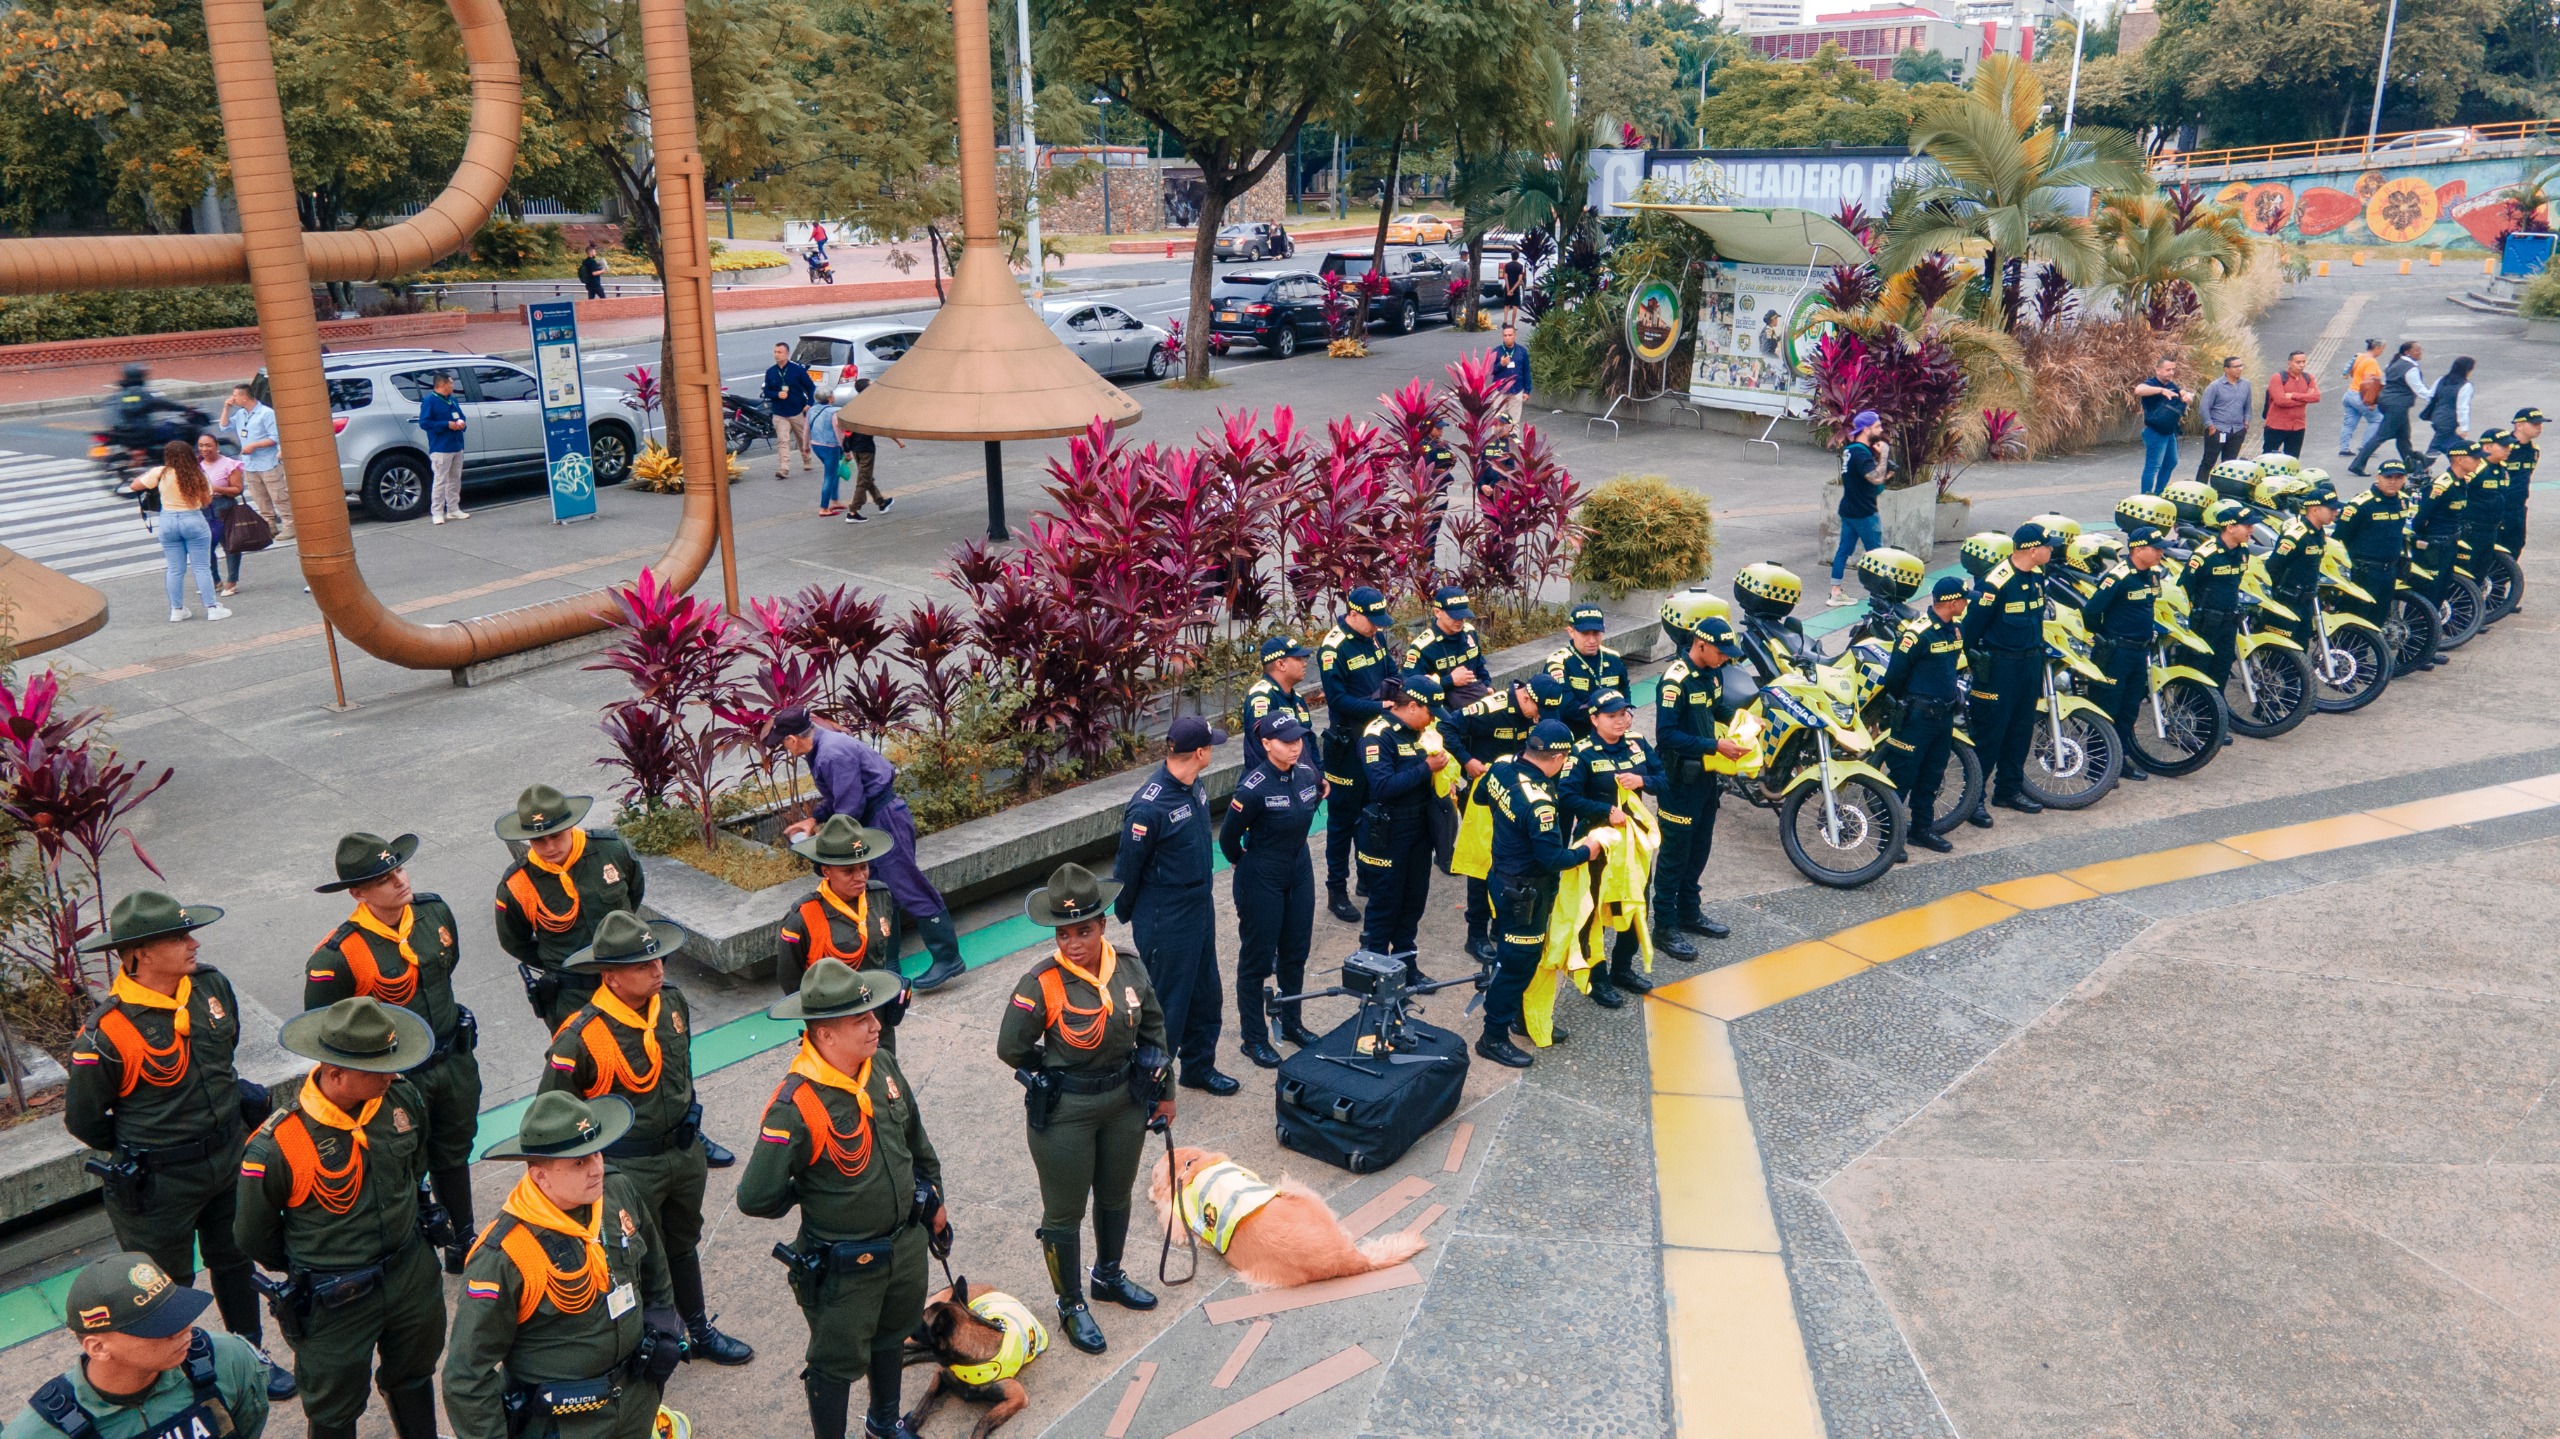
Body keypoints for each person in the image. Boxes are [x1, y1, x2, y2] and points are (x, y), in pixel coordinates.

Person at [64, 891, 293, 1402]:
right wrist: (147, 1146)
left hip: (227, 1156)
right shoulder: (107, 1032)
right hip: (158, 1182)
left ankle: (247, 1351)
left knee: (235, 1258)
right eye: (178, 937)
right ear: (140, 953)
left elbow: (222, 1059)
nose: (193, 944)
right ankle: (175, 1374)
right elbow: (84, 1120)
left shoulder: (209, 987)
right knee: (162, 1286)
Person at [739, 959, 949, 1439]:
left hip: (905, 1244)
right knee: (835, 1361)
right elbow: (755, 1196)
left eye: (873, 1013)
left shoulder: (882, 1067)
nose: (877, 1025)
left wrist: (936, 1200)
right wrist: (812, 1192)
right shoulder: (796, 1106)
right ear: (826, 1035)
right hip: (846, 1266)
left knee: (893, 1335)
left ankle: (883, 1422)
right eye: (862, 1019)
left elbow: (918, 1142)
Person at [537, 910, 755, 1367]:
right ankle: (643, 1347)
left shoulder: (671, 1004)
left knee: (682, 1243)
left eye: (659, 961)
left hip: (682, 1150)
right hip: (628, 1165)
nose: (658, 971)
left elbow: (682, 1074)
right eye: (643, 965)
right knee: (630, 1259)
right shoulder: (578, 1039)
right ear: (611, 977)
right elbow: (554, 1119)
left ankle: (696, 1329)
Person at [236, 998, 445, 1439]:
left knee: (414, 1373)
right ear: (336, 1074)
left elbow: (414, 1167)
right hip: (337, 1297)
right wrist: (320, 1261)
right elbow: (254, 1235)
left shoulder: (399, 1099)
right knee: (334, 1407)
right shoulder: (277, 1145)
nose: (391, 1074)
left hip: (409, 1273)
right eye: (378, 1069)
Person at [996, 863, 1171, 1356]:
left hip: (1124, 1103)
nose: (1074, 942)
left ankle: (1108, 1276)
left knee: (1116, 1196)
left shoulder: (1130, 968)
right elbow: (1011, 1047)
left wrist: (1167, 1094)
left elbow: (1154, 1032)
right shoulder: (1041, 983)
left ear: (1103, 926)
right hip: (1066, 1113)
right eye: (1064, 933)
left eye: (1085, 931)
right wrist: (1051, 1073)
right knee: (1064, 1213)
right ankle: (1070, 1303)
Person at [442, 1092, 682, 1439]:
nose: (597, 1168)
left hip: (635, 1400)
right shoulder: (504, 1254)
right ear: (540, 1177)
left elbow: (655, 1270)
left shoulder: (616, 1192)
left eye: (597, 1152)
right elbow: (466, 1377)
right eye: (579, 1163)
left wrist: (664, 1328)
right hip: (565, 1422)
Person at [306, 832, 482, 1275]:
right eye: (384, 878)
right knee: (404, 1162)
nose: (399, 881)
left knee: (454, 1149)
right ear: (358, 892)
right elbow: (327, 1032)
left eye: (399, 868)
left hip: (452, 1060)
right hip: (396, 1078)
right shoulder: (337, 955)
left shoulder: (433, 912)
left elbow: (446, 970)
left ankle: (463, 1238)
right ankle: (416, 1250)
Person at [769, 710, 966, 991]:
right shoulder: (824, 747)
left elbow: (850, 806)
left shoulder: (831, 754)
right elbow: (839, 795)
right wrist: (814, 819)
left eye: (783, 742)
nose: (784, 748)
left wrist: (828, 840)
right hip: (875, 817)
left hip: (883, 818)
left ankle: (948, 957)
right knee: (877, 891)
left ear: (792, 739)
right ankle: (888, 963)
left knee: (908, 886)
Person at [4, 1252, 272, 1439]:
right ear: (98, 1347)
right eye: (158, 1327)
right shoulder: (41, 1431)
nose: (183, 1330)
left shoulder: (228, 1360)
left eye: (178, 1314)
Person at [1111, 716, 1235, 1096]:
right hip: (1167, 914)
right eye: (1210, 745)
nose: (1212, 749)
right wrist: (1133, 914)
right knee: (1166, 1003)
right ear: (1199, 752)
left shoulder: (1191, 784)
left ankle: (1199, 1066)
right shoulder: (1148, 808)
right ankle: (1150, 1086)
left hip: (1198, 904)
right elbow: (1126, 870)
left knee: (1205, 991)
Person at [1476, 720, 1610, 1069]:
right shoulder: (1540, 804)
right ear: (1559, 757)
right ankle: (1492, 1038)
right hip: (1526, 892)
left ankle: (1519, 1017)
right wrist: (1589, 850)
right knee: (1515, 966)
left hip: (1502, 877)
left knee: (1518, 958)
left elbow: (1479, 796)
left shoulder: (1503, 765)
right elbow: (1553, 858)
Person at [494, 785, 652, 1027]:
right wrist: (559, 961)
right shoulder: (517, 885)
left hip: (628, 980)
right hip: (572, 996)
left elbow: (633, 894)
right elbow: (514, 941)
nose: (549, 847)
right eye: (538, 840)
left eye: (556, 836)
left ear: (570, 826)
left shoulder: (611, 850)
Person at [1220, 714, 1325, 1068]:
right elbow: (1227, 839)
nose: (1296, 746)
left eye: (1299, 739)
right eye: (1286, 741)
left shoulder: (1307, 775)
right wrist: (1245, 863)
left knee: (1295, 951)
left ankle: (1293, 1022)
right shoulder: (1252, 788)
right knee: (1257, 960)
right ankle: (1254, 1038)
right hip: (1262, 875)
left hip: (1299, 868)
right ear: (1266, 744)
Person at [1552, 690, 1665, 1009]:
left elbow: (1662, 780)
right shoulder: (1582, 752)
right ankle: (1597, 977)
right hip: (1597, 843)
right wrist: (1604, 810)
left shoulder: (1638, 743)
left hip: (1634, 843)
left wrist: (1641, 781)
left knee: (1636, 904)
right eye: (1613, 715)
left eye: (1625, 713)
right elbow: (1566, 796)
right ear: (1594, 719)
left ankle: (1622, 968)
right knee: (1594, 912)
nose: (1622, 720)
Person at [1442, 674, 1561, 962]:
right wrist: (1466, 760)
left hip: (1519, 797)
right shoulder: (1490, 709)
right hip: (1486, 795)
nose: (1540, 719)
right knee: (1481, 866)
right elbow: (1447, 726)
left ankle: (1500, 924)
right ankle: (1476, 935)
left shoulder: (1535, 714)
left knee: (1512, 863)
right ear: (1527, 699)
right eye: (1539, 711)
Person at [1653, 611, 1752, 944]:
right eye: (1721, 652)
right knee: (1674, 855)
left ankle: (1689, 912)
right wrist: (1715, 745)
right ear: (1700, 645)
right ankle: (1665, 926)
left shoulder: (1714, 673)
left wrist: (1745, 721)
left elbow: (1715, 710)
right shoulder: (1674, 680)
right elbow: (1666, 735)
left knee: (1699, 848)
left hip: (1706, 779)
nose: (1725, 658)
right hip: (1678, 779)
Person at [1316, 587, 1400, 922]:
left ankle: (1367, 877)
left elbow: (1393, 671)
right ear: (1353, 613)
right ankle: (1337, 889)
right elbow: (1337, 702)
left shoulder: (1375, 637)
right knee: (1342, 821)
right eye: (1372, 621)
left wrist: (1398, 692)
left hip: (1377, 740)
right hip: (1346, 746)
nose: (1378, 627)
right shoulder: (1334, 647)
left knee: (1373, 811)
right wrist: (1379, 705)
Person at [1964, 521, 2058, 815]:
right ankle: (1973, 800)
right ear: (2031, 551)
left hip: (2029, 664)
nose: (2051, 550)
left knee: (2020, 732)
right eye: (2047, 546)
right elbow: (1970, 630)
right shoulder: (1996, 582)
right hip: (1999, 668)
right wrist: (1979, 668)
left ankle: (2008, 791)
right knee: (1989, 736)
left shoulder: (2037, 575)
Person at [1356, 676, 1447, 970]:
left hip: (1420, 829)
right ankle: (1375, 971)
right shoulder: (1378, 734)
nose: (1432, 719)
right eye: (1429, 712)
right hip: (1389, 831)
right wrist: (1426, 768)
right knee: (1385, 904)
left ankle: (1406, 969)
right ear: (1412, 706)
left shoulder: (1420, 732)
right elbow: (1382, 786)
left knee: (1413, 903)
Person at [777, 817, 903, 1020]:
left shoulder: (880, 896)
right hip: (838, 1019)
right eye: (848, 871)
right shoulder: (803, 919)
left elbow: (886, 954)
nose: (861, 876)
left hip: (878, 1012)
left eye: (864, 867)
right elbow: (790, 979)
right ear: (826, 871)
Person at [1880, 577, 1969, 850]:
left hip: (1943, 717)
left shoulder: (1954, 630)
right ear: (1953, 602)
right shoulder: (1917, 634)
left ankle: (1921, 829)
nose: (1968, 603)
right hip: (1916, 717)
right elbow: (1895, 676)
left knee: (1931, 776)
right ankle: (1887, 841)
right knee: (1902, 778)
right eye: (1965, 599)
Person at [2080, 524, 2168, 782]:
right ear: (2139, 550)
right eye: (2156, 549)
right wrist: (2108, 638)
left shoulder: (2151, 574)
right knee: (2107, 708)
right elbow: (2091, 613)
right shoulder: (2117, 577)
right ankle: (2098, 768)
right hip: (2116, 653)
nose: (2161, 554)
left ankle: (2119, 761)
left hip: (2139, 653)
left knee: (2129, 710)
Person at [125, 441, 230, 623]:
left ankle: (176, 610)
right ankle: (212, 609)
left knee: (174, 569)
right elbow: (206, 500)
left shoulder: (160, 472)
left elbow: (134, 486)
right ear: (190, 455)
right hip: (193, 519)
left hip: (168, 521)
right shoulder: (198, 474)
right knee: (201, 567)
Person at [2183, 501, 2258, 693]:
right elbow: (2184, 589)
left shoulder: (2242, 551)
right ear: (2231, 527)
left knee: (2221, 669)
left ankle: (2216, 716)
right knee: (2198, 671)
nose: (2252, 529)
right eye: (2247, 525)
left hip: (2229, 621)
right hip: (2205, 623)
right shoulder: (2205, 555)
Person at [2332, 459, 2415, 630]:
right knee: (2358, 619)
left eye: (2398, 477)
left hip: (2390, 570)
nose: (2393, 482)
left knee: (2378, 618)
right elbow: (2340, 539)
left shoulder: (2403, 502)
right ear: (2378, 477)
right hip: (2364, 572)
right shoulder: (2361, 505)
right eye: (2388, 477)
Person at [1827, 410, 1887, 606]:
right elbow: (1875, 478)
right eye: (1878, 426)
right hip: (1865, 512)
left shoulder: (1849, 450)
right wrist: (1884, 455)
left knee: (1843, 550)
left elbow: (1864, 481)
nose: (1881, 429)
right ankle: (1880, 595)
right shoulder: (1861, 453)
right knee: (1876, 554)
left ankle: (1835, 592)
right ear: (1867, 429)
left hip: (1849, 510)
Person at [1545, 604, 1628, 740]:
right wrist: (1602, 721)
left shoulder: (1613, 658)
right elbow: (1566, 705)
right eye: (1585, 634)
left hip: (1611, 734)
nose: (1592, 640)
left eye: (1596, 633)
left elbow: (1624, 689)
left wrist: (1627, 712)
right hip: (1574, 735)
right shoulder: (1559, 663)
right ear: (1571, 632)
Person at [221, 384, 289, 546]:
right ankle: (269, 525)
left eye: (235, 396)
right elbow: (223, 427)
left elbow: (275, 438)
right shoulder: (241, 414)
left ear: (244, 397)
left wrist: (255, 445)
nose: (233, 398)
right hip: (250, 465)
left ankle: (289, 525)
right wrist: (226, 408)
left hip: (268, 463)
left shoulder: (266, 414)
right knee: (260, 498)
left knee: (279, 496)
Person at [2350, 341, 2431, 476]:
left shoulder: (2394, 363)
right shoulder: (2410, 368)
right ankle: (2357, 464)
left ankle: (2410, 465)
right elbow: (2419, 389)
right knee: (2381, 435)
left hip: (2387, 402)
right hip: (2398, 406)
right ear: (2407, 352)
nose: (2420, 352)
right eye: (2416, 350)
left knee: (2403, 436)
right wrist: (2434, 399)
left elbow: (2385, 381)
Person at [1401, 586, 1487, 705]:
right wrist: (1449, 681)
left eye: (1463, 616)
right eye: (1454, 616)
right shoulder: (1423, 647)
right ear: (1437, 612)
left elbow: (1480, 668)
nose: (1460, 621)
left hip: (1474, 700)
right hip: (1441, 708)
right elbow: (1409, 685)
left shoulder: (1469, 633)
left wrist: (1488, 687)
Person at [840, 376, 899, 524]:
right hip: (865, 447)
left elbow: (847, 427)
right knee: (863, 480)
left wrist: (846, 446)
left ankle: (881, 502)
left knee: (866, 476)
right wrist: (898, 440)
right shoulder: (870, 406)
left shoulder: (855, 404)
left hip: (855, 446)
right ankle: (853, 511)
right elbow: (882, 426)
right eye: (871, 385)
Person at [196, 432, 247, 600]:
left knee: (230, 545)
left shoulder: (229, 464)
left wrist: (217, 489)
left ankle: (232, 581)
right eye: (201, 445)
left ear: (217, 446)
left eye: (208, 445)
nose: (205, 449)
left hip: (224, 506)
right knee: (205, 546)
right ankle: (214, 580)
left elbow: (237, 490)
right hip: (203, 508)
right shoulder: (197, 465)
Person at [415, 371, 470, 523]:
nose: (453, 385)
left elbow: (461, 415)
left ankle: (453, 509)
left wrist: (461, 423)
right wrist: (446, 425)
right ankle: (437, 512)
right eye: (451, 383)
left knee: (455, 478)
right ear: (443, 384)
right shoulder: (430, 401)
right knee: (440, 479)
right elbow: (424, 423)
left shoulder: (452, 400)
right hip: (441, 447)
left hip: (456, 444)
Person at [2134, 357, 2192, 496]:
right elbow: (2138, 390)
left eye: (2173, 369)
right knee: (2153, 466)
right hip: (2154, 431)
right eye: (2168, 370)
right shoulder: (2151, 383)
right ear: (2157, 370)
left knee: (2171, 462)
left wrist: (2188, 395)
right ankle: (2146, 496)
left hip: (2169, 431)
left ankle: (2159, 493)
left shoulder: (2172, 385)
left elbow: (2184, 393)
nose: (2171, 372)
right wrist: (2161, 391)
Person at [2193, 355, 2252, 483]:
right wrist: (2210, 426)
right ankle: (2200, 487)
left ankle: (2223, 491)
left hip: (2237, 430)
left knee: (2229, 465)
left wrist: (2246, 422)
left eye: (2241, 366)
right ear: (2226, 369)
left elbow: (2247, 405)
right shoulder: (2215, 386)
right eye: (2236, 366)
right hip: (2218, 429)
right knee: (2209, 461)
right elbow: (2204, 407)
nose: (2240, 369)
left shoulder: (2246, 384)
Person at [763, 343, 817, 482]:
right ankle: (784, 468)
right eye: (775, 352)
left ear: (787, 354)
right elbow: (767, 391)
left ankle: (807, 459)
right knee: (783, 440)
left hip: (797, 410)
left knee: (802, 439)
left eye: (780, 352)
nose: (776, 354)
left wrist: (809, 403)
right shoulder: (771, 372)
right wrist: (776, 394)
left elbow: (811, 388)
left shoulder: (797, 370)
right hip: (780, 412)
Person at [1241, 635, 1314, 735]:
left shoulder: (1297, 699)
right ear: (1281, 664)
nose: (1304, 664)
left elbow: (1309, 741)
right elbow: (1262, 744)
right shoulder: (1261, 697)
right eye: (1298, 659)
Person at [2261, 350, 2320, 459]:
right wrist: (2305, 399)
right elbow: (2280, 401)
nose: (2302, 365)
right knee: (2268, 458)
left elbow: (2316, 397)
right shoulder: (2278, 377)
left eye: (2304, 362)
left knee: (2292, 459)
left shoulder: (2308, 377)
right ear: (2289, 363)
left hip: (2298, 426)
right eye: (2298, 362)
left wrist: (2293, 395)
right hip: (2276, 425)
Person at [2502, 406, 2542, 560]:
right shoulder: (2504, 448)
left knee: (2517, 544)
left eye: (2540, 424)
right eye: (2534, 424)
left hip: (2518, 507)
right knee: (2498, 546)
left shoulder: (2534, 450)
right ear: (2519, 425)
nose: (2539, 428)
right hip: (2501, 506)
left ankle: (2501, 582)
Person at [2421, 355, 2475, 456]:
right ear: (2467, 370)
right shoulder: (2465, 386)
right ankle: (2422, 467)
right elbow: (2462, 408)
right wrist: (2464, 427)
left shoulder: (2441, 380)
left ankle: (2459, 465)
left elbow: (2430, 395)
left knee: (2451, 445)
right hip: (2450, 422)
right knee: (2436, 446)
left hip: (2436, 417)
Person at [2340, 338, 2386, 457]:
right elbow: (2368, 381)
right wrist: (2371, 401)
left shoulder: (2359, 356)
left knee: (2349, 424)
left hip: (2350, 393)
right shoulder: (2371, 362)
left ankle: (2344, 448)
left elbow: (2352, 374)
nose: (2382, 352)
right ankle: (2365, 447)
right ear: (2377, 348)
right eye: (2382, 349)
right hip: (2360, 396)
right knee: (2377, 419)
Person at [810, 385, 847, 517]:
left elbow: (806, 429)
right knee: (829, 476)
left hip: (815, 445)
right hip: (831, 447)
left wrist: (804, 446)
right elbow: (839, 433)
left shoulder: (812, 410)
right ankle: (824, 507)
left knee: (834, 472)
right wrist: (846, 450)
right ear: (830, 398)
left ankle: (835, 500)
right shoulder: (834, 412)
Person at [1489, 323, 1531, 429]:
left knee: (1514, 423)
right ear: (1502, 336)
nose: (1508, 338)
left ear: (1515, 335)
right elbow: (1490, 371)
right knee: (1497, 422)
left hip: (1517, 390)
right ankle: (1496, 444)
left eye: (1510, 335)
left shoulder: (1522, 351)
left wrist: (1527, 391)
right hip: (1500, 391)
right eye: (1505, 335)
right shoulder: (1497, 351)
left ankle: (1513, 445)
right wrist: (1501, 365)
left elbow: (1526, 371)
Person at [1499, 253, 1526, 324]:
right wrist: (1512, 290)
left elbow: (1506, 277)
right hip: (1516, 289)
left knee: (1506, 305)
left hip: (1508, 287)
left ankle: (1505, 321)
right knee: (1515, 306)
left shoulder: (1507, 265)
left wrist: (1508, 289)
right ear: (1518, 257)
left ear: (1511, 257)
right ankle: (1513, 324)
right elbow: (1519, 280)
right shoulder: (1520, 266)